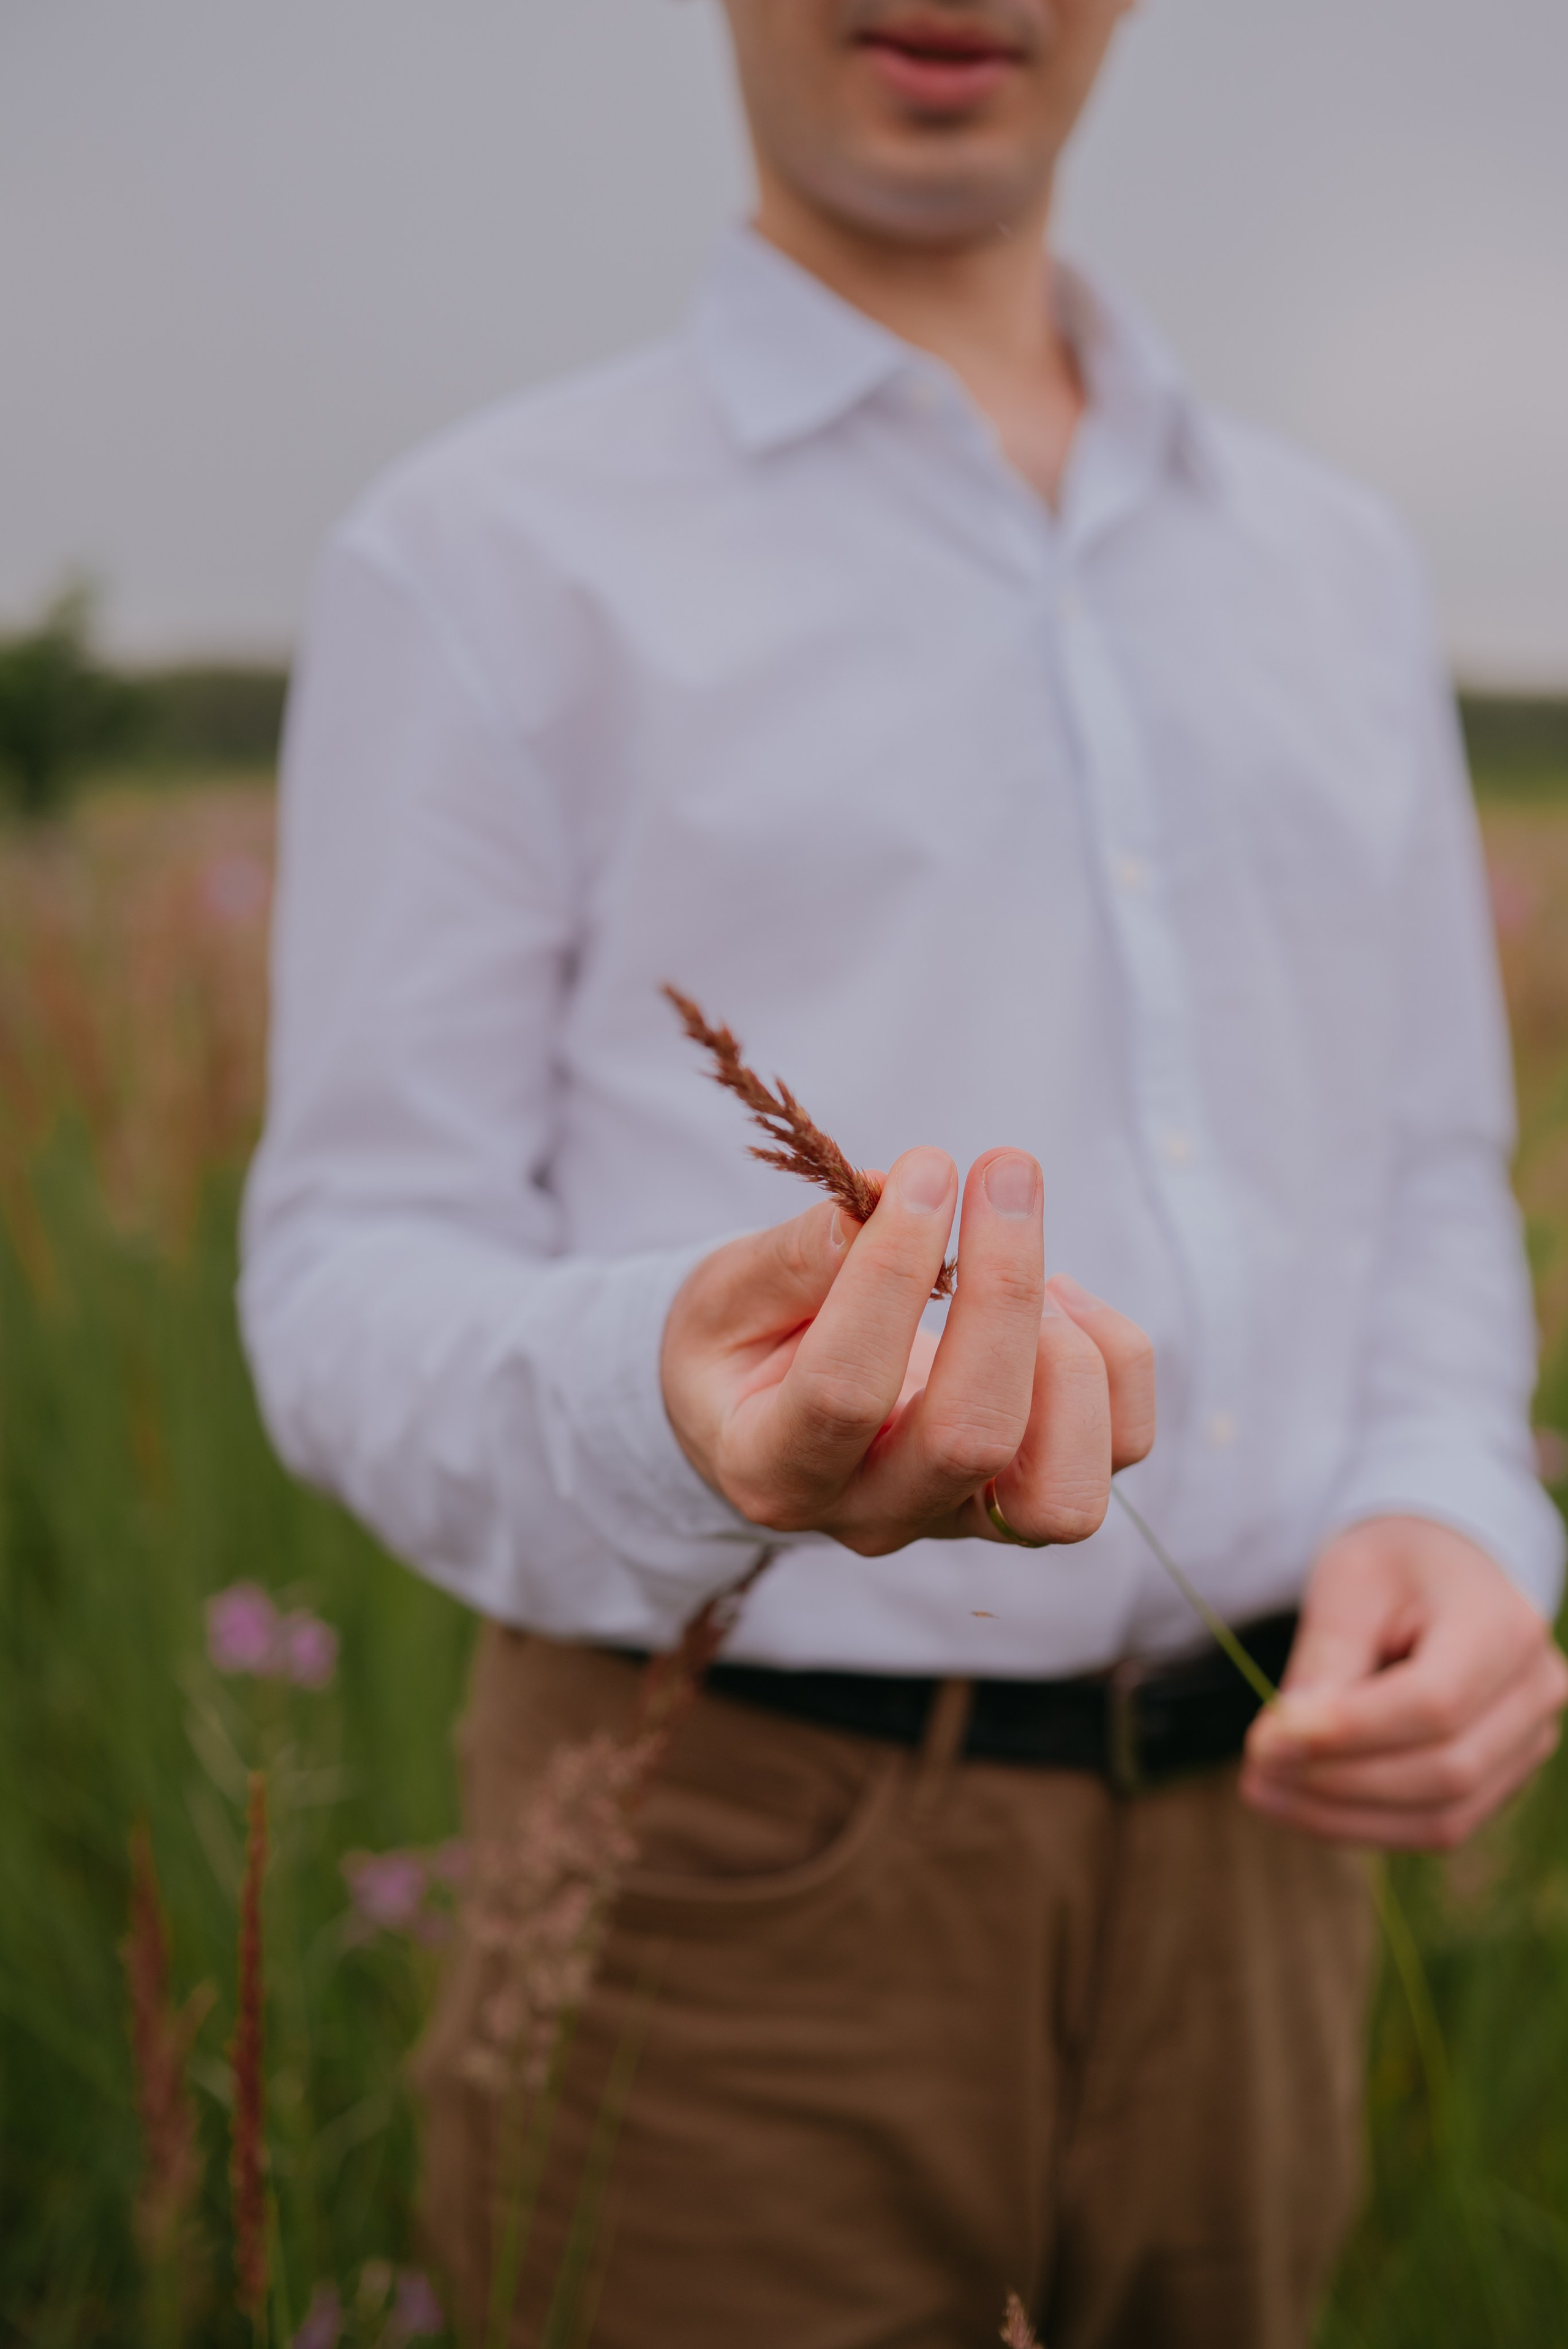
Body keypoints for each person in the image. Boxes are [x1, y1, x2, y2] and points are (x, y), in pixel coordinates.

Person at [239, 2, 1568, 2342]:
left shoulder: (1336, 569)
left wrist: (1458, 1502)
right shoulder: (483, 551)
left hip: (1264, 1875)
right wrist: (678, 1408)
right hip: (727, 1873)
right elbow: (349, 1271)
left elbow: (1434, 1165)